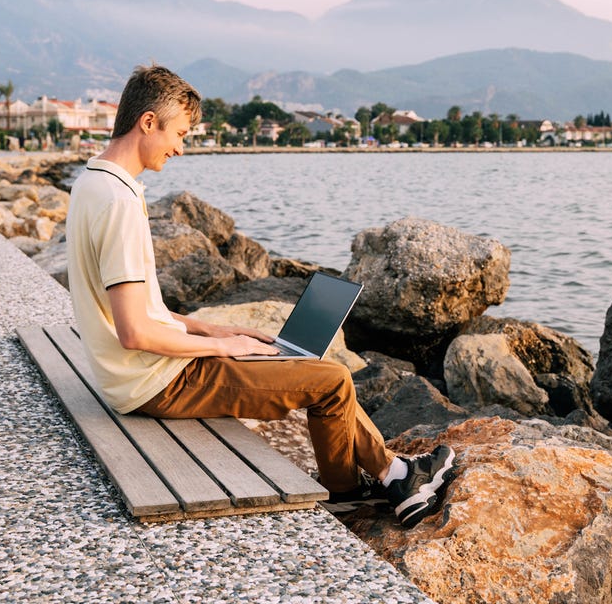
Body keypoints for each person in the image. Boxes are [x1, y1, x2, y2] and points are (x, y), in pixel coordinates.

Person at [65, 64, 455, 527]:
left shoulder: (94, 182)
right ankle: (376, 487)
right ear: (147, 122)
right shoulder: (118, 202)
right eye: (180, 133)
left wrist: (211, 327)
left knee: (311, 369)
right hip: (156, 381)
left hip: (136, 375)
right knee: (331, 381)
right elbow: (133, 331)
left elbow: (137, 306)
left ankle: (379, 481)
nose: (180, 148)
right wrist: (220, 348)